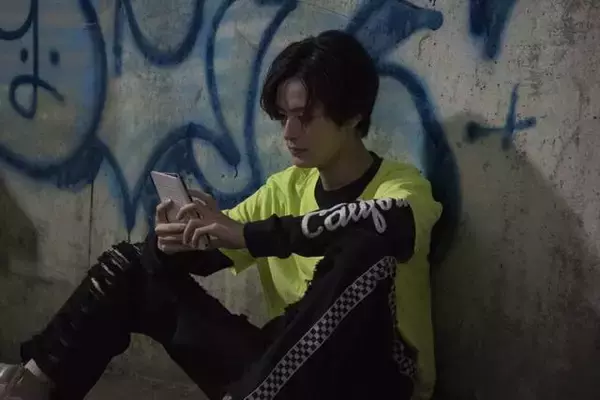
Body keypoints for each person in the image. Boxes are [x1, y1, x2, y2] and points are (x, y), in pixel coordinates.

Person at [0, 30, 442, 400]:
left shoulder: (402, 191)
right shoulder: (285, 189)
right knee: (132, 265)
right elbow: (213, 250)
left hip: (366, 382)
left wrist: (247, 235)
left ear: (354, 115)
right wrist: (171, 242)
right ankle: (32, 386)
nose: (289, 133)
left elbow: (381, 223)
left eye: (306, 117)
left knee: (362, 244)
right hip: (275, 377)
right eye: (283, 117)